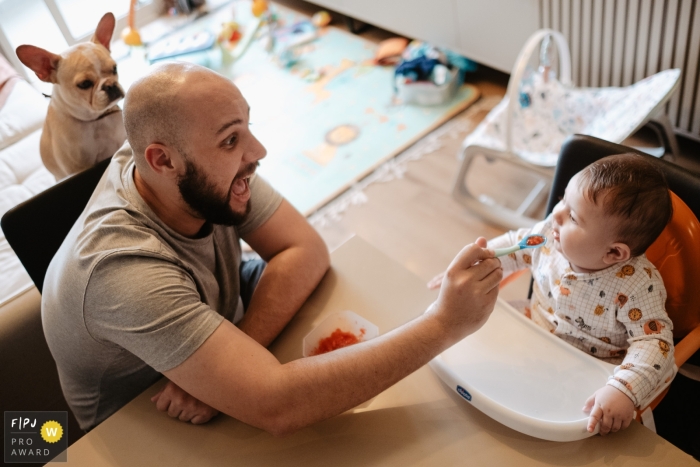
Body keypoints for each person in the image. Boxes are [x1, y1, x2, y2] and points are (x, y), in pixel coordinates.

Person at [41, 62, 503, 434]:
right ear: (162, 160)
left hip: (207, 368)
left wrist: (239, 347)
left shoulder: (183, 168)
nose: (257, 151)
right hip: (138, 428)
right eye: (231, 139)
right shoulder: (119, 270)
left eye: (246, 128)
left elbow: (305, 247)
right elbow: (276, 404)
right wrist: (444, 324)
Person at [429, 153, 675, 436]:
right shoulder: (550, 233)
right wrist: (481, 262)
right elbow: (515, 246)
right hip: (535, 333)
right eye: (562, 199)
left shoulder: (637, 286)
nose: (555, 214)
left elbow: (655, 343)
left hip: (594, 371)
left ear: (613, 253)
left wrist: (623, 389)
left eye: (573, 216)